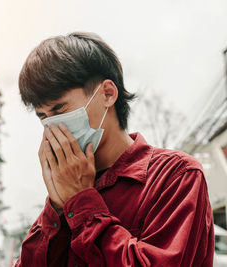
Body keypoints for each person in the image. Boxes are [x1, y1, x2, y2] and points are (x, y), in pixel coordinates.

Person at [14, 32, 214, 266]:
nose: (52, 127)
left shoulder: (176, 176)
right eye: (43, 117)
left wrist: (81, 202)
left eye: (59, 110)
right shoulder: (66, 189)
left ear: (107, 94)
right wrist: (58, 208)